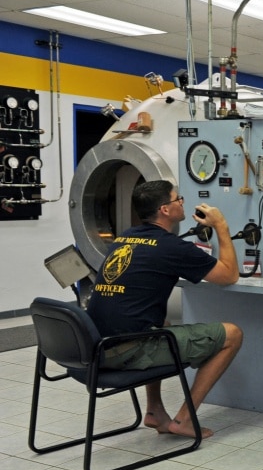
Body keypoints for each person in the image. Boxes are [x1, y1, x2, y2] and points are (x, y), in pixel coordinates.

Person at [87, 180, 242, 439]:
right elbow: (229, 275)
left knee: (163, 323)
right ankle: (184, 420)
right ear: (165, 210)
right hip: (124, 350)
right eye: (177, 199)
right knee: (232, 334)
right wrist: (221, 226)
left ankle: (154, 411)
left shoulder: (124, 238)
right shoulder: (171, 247)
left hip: (95, 345)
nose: (182, 202)